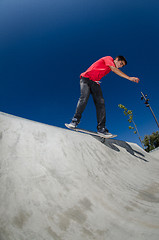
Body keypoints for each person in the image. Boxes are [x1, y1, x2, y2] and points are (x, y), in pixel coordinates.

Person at [67, 56, 140, 137]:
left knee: (101, 103)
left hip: (95, 83)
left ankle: (101, 128)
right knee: (84, 98)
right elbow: (114, 69)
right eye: (121, 63)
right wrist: (129, 78)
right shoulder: (109, 59)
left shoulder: (109, 68)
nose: (120, 66)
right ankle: (75, 120)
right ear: (117, 59)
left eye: (122, 66)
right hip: (86, 79)